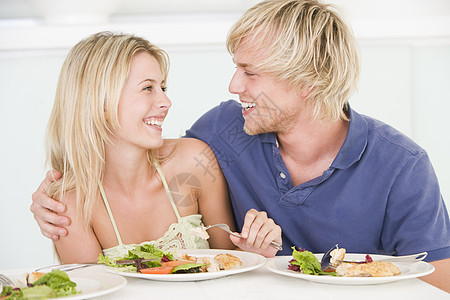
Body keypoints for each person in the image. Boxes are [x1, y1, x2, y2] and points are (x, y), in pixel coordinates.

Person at [31, 0, 449, 291]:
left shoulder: (401, 165)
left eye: (250, 72)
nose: (234, 86)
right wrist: (51, 196)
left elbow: (443, 280)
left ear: (308, 82)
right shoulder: (224, 129)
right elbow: (139, 165)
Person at [36, 31, 281, 264]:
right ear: (100, 103)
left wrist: (255, 249)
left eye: (162, 88)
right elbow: (94, 291)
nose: (165, 101)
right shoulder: (69, 203)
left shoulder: (194, 162)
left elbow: (229, 263)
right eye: (147, 88)